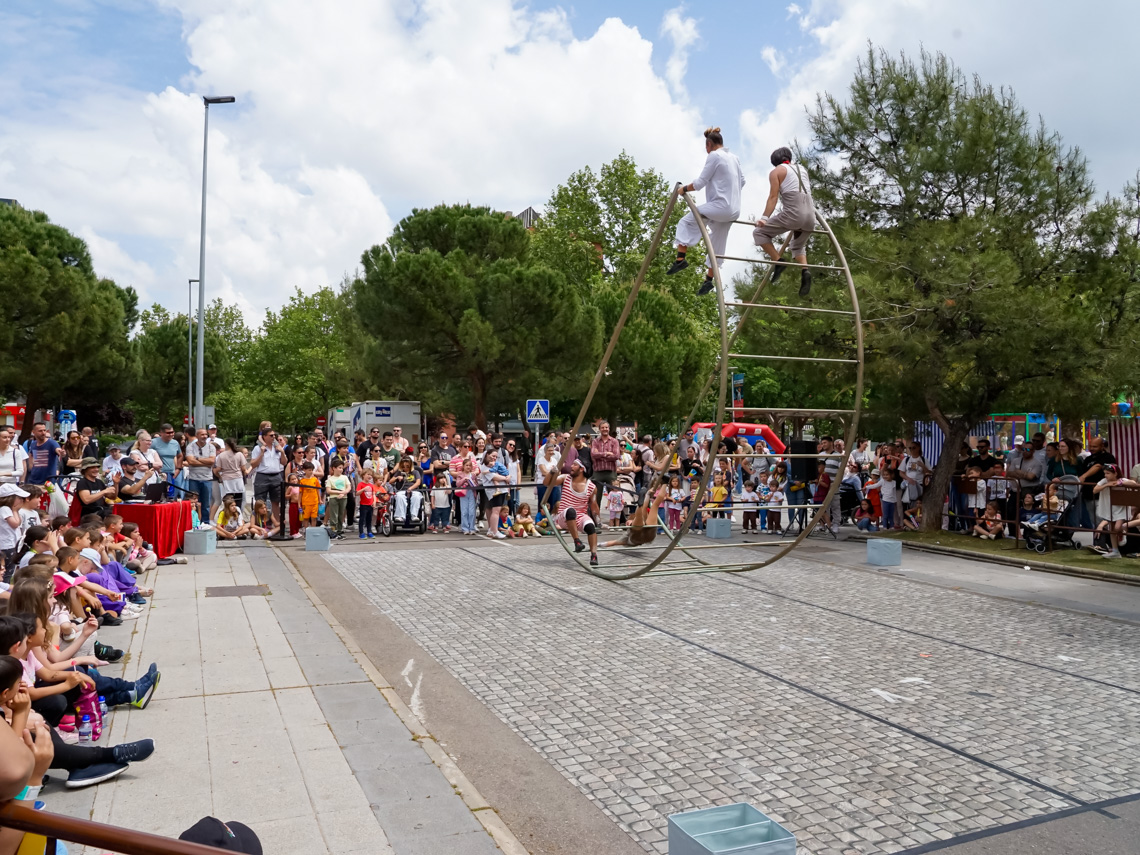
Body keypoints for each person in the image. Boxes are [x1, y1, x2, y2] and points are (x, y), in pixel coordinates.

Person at [666, 127, 746, 296]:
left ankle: (680, 259)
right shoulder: (735, 158)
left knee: (686, 222)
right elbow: (743, 181)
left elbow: (700, 183)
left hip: (720, 206)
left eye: (706, 147)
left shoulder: (714, 156)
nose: (706, 150)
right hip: (734, 210)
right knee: (718, 242)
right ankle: (708, 280)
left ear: (709, 144)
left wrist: (683, 189)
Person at [751, 146, 816, 296]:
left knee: (759, 232)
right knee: (797, 246)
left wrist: (764, 218)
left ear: (774, 162)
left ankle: (778, 261)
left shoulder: (776, 172)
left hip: (794, 214)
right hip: (811, 217)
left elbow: (773, 197)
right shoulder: (802, 169)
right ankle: (805, 270)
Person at [553, 460, 601, 565]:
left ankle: (594, 555)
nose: (571, 466)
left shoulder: (591, 487)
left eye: (575, 465)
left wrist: (599, 522)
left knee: (590, 526)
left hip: (579, 516)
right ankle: (577, 541)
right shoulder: (565, 478)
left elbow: (594, 505)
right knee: (571, 511)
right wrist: (552, 472)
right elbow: (547, 483)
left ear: (582, 469)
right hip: (563, 516)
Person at [250, 428, 287, 518]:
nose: (273, 437)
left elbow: (284, 462)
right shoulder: (258, 448)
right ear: (264, 437)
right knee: (260, 501)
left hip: (276, 475)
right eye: (271, 435)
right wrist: (261, 454)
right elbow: (253, 464)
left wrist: (282, 452)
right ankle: (260, 522)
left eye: (274, 435)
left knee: (276, 501)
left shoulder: (277, 447)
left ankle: (276, 522)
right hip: (262, 476)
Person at [184, 428, 218, 521]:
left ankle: (206, 523)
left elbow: (212, 461)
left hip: (207, 479)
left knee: (206, 504)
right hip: (194, 479)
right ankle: (194, 522)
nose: (204, 436)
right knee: (193, 502)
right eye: (202, 434)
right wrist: (206, 462)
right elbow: (190, 461)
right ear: (197, 436)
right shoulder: (190, 447)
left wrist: (197, 458)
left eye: (206, 434)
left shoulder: (211, 447)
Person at [387, 456, 423, 528]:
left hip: (413, 490)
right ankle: (400, 516)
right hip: (402, 490)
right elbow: (390, 481)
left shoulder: (415, 472)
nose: (405, 468)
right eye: (403, 466)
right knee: (399, 496)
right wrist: (397, 478)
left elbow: (418, 482)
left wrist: (411, 488)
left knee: (416, 496)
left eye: (407, 466)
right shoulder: (399, 472)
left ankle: (414, 516)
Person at [22, 422, 60, 487]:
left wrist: (61, 452)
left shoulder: (52, 443)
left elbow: (58, 450)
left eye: (44, 430)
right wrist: (31, 469)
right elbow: (31, 456)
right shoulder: (33, 444)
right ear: (33, 432)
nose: (43, 433)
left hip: (48, 481)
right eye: (40, 431)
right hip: (33, 480)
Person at [214, 438, 249, 506]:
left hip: (227, 479)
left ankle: (228, 511)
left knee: (228, 498)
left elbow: (218, 469)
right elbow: (243, 468)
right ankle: (238, 511)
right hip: (238, 478)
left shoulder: (222, 455)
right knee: (238, 498)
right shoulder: (239, 454)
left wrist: (219, 476)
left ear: (226, 445)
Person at [324, 458, 352, 539]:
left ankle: (340, 530)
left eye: (342, 468)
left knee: (341, 514)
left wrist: (343, 493)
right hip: (334, 498)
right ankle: (333, 531)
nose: (341, 470)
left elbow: (348, 487)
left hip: (343, 498)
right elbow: (328, 490)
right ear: (334, 468)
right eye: (339, 468)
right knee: (334, 515)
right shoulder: (330, 479)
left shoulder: (345, 477)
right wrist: (339, 492)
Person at [298, 462, 321, 534]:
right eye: (309, 470)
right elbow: (300, 493)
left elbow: (318, 489)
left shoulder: (315, 479)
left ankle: (313, 531)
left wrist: (320, 499)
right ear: (304, 470)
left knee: (314, 517)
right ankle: (306, 531)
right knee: (306, 518)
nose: (311, 472)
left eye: (312, 470)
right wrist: (299, 503)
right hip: (306, 502)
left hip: (314, 502)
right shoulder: (302, 481)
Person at [356, 469, 377, 539]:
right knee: (362, 519)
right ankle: (361, 532)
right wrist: (363, 489)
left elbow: (373, 494)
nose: (370, 476)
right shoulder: (360, 484)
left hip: (370, 505)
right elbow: (357, 493)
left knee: (369, 519)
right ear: (363, 475)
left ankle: (369, 532)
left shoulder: (371, 485)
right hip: (363, 505)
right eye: (368, 474)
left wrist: (374, 502)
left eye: (371, 475)